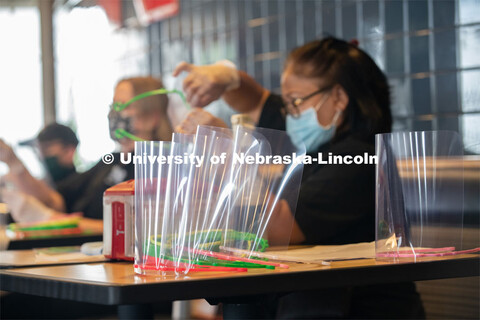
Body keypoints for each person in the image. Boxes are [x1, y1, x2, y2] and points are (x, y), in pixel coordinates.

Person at [173, 37, 424, 319]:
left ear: (339, 97)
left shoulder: (360, 160)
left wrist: (227, 155)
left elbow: (278, 229)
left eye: (295, 101)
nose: (290, 113)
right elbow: (256, 100)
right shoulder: (317, 143)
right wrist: (226, 77)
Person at [3, 76, 173, 223]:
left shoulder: (159, 166)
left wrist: (61, 222)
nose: (113, 113)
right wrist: (13, 162)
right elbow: (55, 200)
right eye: (113, 106)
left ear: (152, 117)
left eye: (123, 106)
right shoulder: (111, 161)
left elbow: (136, 229)